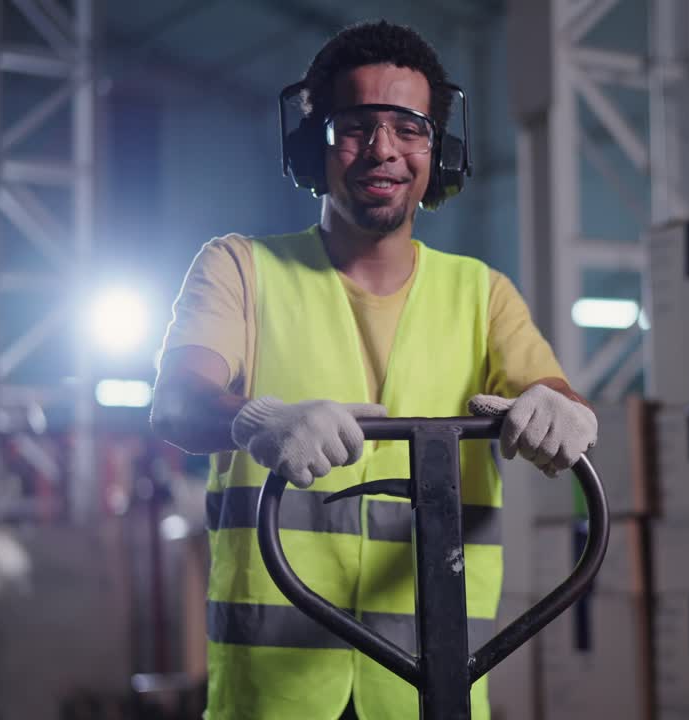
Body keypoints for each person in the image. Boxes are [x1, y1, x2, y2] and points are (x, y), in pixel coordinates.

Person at [148, 19, 597, 720]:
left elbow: (549, 389)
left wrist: (562, 409)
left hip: (436, 682)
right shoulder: (239, 269)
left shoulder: (482, 295)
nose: (382, 149)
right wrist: (254, 419)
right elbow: (176, 403)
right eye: (355, 126)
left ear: (437, 150)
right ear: (312, 145)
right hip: (275, 694)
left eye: (409, 127)